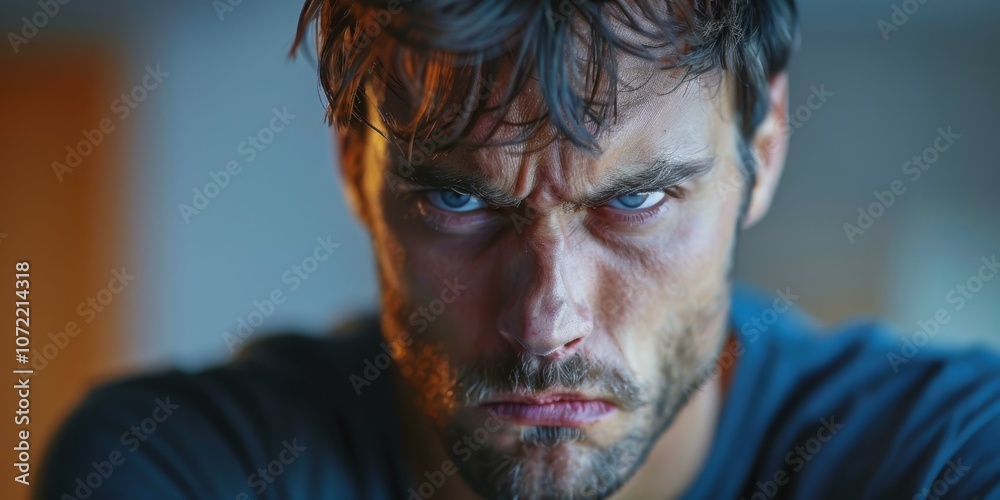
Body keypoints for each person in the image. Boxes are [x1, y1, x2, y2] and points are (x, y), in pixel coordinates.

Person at [38, 0, 1000, 498]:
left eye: (639, 201)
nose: (547, 318)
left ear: (766, 147)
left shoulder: (949, 454)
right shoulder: (182, 468)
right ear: (352, 166)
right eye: (459, 199)